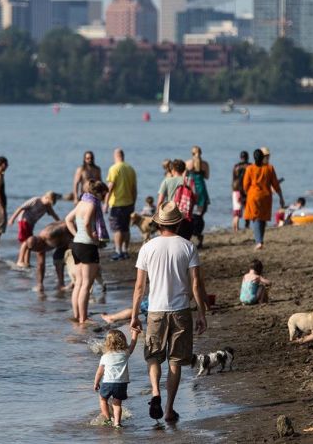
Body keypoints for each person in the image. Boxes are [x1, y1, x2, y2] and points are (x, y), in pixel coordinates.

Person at [130, 202, 207, 422]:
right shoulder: (188, 247)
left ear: (158, 223)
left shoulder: (147, 247)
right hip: (181, 310)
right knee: (175, 361)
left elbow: (139, 287)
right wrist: (202, 313)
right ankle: (168, 409)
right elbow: (196, 285)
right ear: (178, 222)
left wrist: (135, 315)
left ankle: (155, 391)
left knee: (153, 357)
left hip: (155, 310)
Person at [66, 180, 109, 323]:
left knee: (78, 283)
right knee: (86, 284)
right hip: (88, 246)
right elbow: (86, 223)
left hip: (77, 244)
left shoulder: (81, 202)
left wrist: (76, 234)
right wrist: (93, 237)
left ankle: (77, 316)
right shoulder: (92, 204)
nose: (104, 197)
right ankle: (84, 318)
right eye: (104, 194)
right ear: (100, 192)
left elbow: (68, 220)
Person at [93, 329, 138, 428]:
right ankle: (117, 423)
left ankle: (108, 419)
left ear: (107, 342)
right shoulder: (125, 353)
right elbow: (133, 344)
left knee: (103, 399)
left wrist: (96, 382)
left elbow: (100, 371)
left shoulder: (105, 356)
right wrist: (135, 333)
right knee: (117, 404)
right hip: (121, 384)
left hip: (107, 383)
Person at [243, 148, 285, 250]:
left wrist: (249, 193)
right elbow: (275, 184)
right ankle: (260, 240)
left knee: (256, 219)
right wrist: (281, 197)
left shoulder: (250, 168)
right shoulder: (269, 168)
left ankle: (259, 242)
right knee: (262, 219)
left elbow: (245, 185)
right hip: (266, 196)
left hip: (254, 196)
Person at [8, 191, 60, 267]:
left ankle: (26, 262)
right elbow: (21, 208)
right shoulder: (35, 200)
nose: (49, 205)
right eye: (49, 203)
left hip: (31, 223)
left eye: (50, 204)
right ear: (46, 197)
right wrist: (12, 219)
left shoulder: (47, 206)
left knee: (30, 243)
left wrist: (60, 223)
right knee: (25, 242)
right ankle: (20, 261)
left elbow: (54, 214)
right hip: (24, 221)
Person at [104, 148, 137, 261]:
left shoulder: (114, 168)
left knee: (117, 229)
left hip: (117, 204)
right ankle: (125, 250)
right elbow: (134, 189)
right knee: (126, 228)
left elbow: (110, 187)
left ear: (115, 155)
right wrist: (133, 203)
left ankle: (118, 251)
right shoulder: (130, 169)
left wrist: (105, 204)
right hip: (129, 203)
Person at [24, 221, 74, 292]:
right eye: (36, 250)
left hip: (73, 240)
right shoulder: (39, 248)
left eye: (37, 248)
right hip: (63, 245)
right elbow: (40, 265)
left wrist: (74, 236)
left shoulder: (49, 234)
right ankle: (61, 284)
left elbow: (65, 224)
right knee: (57, 259)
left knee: (74, 260)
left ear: (39, 242)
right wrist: (40, 284)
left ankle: (76, 281)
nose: (38, 251)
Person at [185, 146, 210, 248]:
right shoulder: (205, 164)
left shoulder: (188, 163)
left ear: (192, 153)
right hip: (202, 191)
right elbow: (207, 177)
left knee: (188, 215)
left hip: (191, 191)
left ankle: (189, 236)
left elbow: (184, 178)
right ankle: (199, 237)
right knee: (200, 216)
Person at [231, 151, 250, 232]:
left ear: (240, 157)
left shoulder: (236, 166)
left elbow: (233, 178)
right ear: (247, 157)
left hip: (237, 189)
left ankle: (235, 228)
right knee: (247, 208)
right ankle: (247, 225)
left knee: (237, 209)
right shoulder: (249, 166)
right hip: (247, 189)